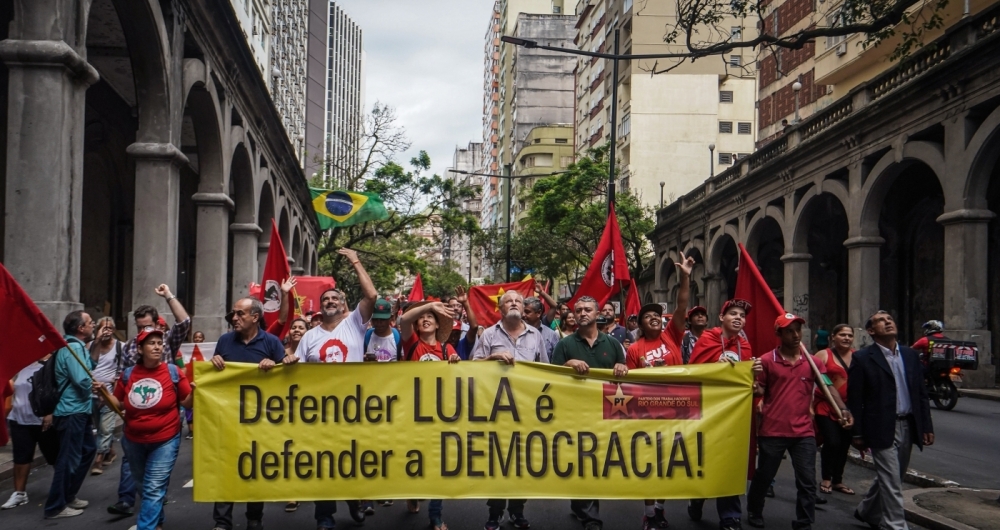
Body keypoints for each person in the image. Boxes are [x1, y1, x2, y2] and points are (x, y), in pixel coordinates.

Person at [291, 248, 376, 529]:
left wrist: (354, 260)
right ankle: (324, 516)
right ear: (320, 306)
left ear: (342, 306)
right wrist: (287, 360)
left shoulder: (354, 324)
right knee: (323, 465)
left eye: (334, 299)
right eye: (325, 298)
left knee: (350, 463)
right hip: (319, 412)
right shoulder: (310, 337)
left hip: (353, 409)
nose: (329, 301)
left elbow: (372, 296)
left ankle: (353, 500)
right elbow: (298, 370)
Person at [746, 314, 853, 529]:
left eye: (798, 330)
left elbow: (827, 386)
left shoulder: (812, 363)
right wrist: (755, 386)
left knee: (807, 480)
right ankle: (754, 510)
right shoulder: (767, 360)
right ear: (779, 334)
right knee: (764, 476)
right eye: (789, 331)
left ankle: (804, 522)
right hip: (772, 430)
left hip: (803, 431)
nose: (796, 335)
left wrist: (842, 408)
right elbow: (760, 389)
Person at [623, 253, 693, 529]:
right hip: (648, 415)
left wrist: (684, 276)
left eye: (657, 315)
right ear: (639, 325)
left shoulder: (672, 336)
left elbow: (683, 304)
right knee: (650, 467)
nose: (654, 318)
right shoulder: (634, 349)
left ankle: (661, 510)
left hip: (677, 411)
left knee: (670, 465)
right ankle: (649, 513)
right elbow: (629, 385)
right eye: (647, 317)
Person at [210, 297, 292, 530]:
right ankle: (222, 522)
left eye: (239, 314)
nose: (234, 318)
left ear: (255, 317)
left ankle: (254, 517)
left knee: (256, 469)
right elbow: (217, 378)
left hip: (260, 420)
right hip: (229, 418)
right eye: (233, 314)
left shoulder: (272, 342)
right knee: (226, 469)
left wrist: (276, 366)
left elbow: (286, 381)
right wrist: (213, 362)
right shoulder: (225, 342)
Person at [109, 284, 191, 517]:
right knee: (135, 470)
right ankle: (129, 500)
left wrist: (168, 296)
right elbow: (123, 384)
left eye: (147, 326)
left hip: (165, 426)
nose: (143, 333)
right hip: (134, 428)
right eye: (139, 328)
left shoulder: (166, 341)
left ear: (156, 325)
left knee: (154, 484)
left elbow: (184, 322)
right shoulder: (130, 349)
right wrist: (113, 399)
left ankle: (150, 507)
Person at [849, 311, 934, 530]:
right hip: (880, 426)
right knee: (892, 481)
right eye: (880, 321)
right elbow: (855, 399)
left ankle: (867, 510)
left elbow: (920, 394)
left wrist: (925, 426)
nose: (887, 322)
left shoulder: (910, 355)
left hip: (907, 423)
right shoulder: (863, 358)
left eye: (889, 319)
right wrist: (857, 432)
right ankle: (895, 525)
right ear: (871, 331)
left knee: (894, 475)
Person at [551, 296, 629, 530]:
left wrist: (622, 367)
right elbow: (550, 376)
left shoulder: (613, 344)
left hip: (607, 412)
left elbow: (626, 375)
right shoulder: (564, 345)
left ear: (597, 314)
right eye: (578, 310)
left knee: (597, 462)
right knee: (584, 461)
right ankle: (590, 516)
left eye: (588, 309)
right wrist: (568, 365)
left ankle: (580, 506)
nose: (582, 313)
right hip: (575, 413)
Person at [468, 289, 543, 530]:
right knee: (499, 462)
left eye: (517, 301)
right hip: (496, 410)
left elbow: (546, 371)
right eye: (508, 301)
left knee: (522, 462)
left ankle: (517, 510)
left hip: (527, 410)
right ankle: (495, 512)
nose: (513, 304)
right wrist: (493, 358)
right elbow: (473, 366)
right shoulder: (489, 335)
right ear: (500, 309)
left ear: (524, 309)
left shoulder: (536, 336)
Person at [686, 299, 758, 530]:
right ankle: (697, 499)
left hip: (733, 414)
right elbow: (694, 369)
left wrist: (754, 376)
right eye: (733, 314)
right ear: (722, 317)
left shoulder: (745, 346)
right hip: (708, 411)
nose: (738, 318)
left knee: (730, 463)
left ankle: (730, 516)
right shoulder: (708, 339)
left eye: (742, 316)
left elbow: (747, 381)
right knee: (706, 460)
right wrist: (717, 364)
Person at [400, 300, 458, 530]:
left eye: (431, 318)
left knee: (438, 466)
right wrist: (429, 306)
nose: (425, 320)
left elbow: (460, 376)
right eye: (422, 318)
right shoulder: (411, 344)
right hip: (412, 414)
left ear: (437, 325)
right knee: (414, 460)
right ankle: (412, 491)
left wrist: (455, 363)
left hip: (438, 416)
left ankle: (435, 515)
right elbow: (403, 320)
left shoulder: (446, 349)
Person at [44, 310, 99, 519]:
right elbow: (81, 379)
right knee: (68, 459)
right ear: (81, 328)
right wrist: (93, 385)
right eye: (90, 323)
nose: (93, 325)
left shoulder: (76, 347)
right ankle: (55, 506)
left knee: (87, 450)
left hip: (79, 410)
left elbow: (90, 366)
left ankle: (68, 495)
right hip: (71, 411)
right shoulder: (72, 347)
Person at [2, 354, 60, 510]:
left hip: (43, 420)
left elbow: (57, 391)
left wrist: (50, 413)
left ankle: (64, 490)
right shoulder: (21, 366)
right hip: (19, 419)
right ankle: (19, 493)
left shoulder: (51, 366)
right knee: (21, 458)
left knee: (54, 456)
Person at [814, 324, 856, 496]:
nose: (846, 338)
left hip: (849, 408)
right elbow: (814, 380)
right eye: (842, 335)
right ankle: (826, 478)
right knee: (832, 442)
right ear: (833, 337)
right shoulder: (823, 355)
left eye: (849, 335)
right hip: (825, 406)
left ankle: (838, 480)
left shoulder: (858, 357)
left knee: (845, 443)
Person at [89, 317, 122, 475]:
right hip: (91, 395)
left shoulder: (119, 347)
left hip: (109, 394)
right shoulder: (90, 346)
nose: (106, 331)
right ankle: (110, 451)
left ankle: (98, 460)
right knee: (98, 426)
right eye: (103, 328)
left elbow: (122, 370)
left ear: (114, 331)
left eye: (109, 328)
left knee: (105, 428)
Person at [443, 286, 480, 360]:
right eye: (451, 333)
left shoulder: (463, 344)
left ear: (460, 334)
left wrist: (466, 303)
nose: (453, 337)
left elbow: (474, 327)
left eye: (456, 334)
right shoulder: (439, 344)